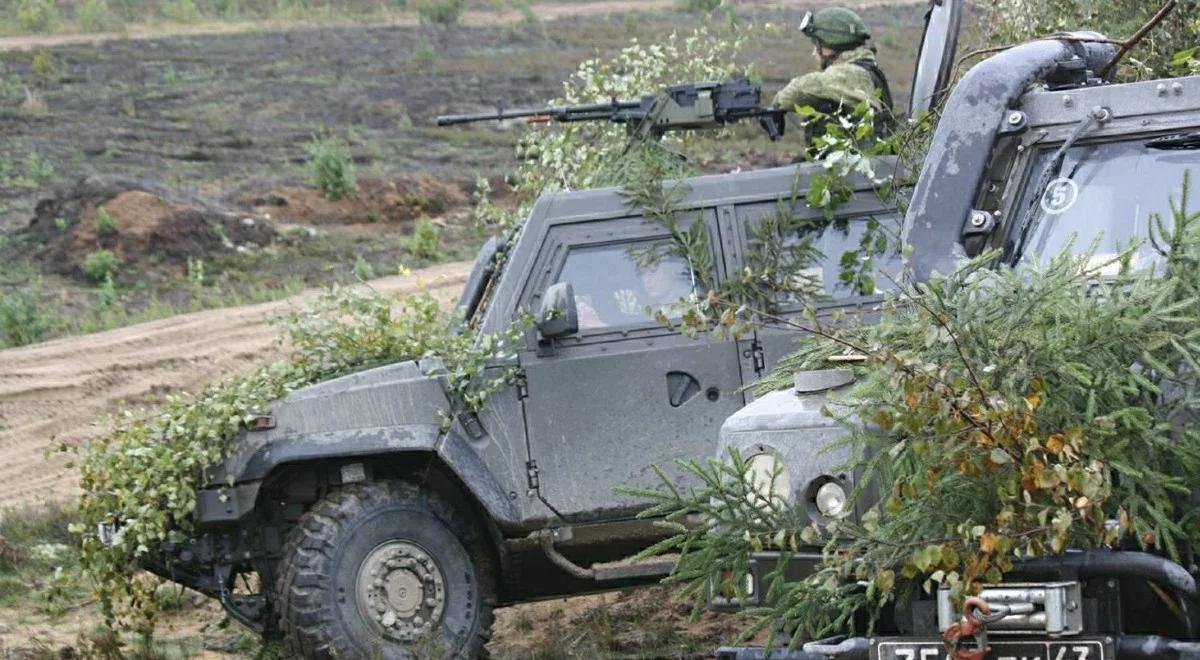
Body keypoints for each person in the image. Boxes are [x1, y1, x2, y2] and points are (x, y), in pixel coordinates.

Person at [773, 7, 895, 151]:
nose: (814, 53)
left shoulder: (849, 74)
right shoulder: (866, 68)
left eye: (817, 45)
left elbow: (795, 92)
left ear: (831, 44)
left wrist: (777, 103)